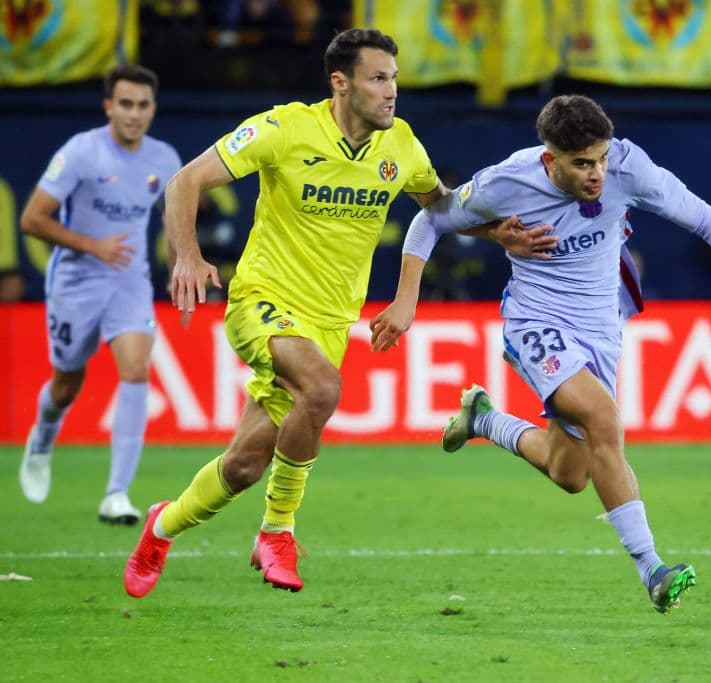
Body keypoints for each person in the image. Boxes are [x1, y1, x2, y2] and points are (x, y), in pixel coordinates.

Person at [123, 28, 554, 599]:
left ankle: (161, 526)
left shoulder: (400, 146)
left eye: (394, 79)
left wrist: (499, 234)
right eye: (378, 79)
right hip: (263, 301)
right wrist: (188, 256)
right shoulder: (284, 129)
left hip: (328, 323)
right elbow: (186, 181)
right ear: (341, 83)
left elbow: (441, 208)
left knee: (245, 467)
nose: (391, 91)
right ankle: (277, 532)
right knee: (324, 389)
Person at [369, 94, 711, 614]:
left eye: (601, 158)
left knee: (571, 473)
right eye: (582, 163)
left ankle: (484, 420)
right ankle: (652, 568)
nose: (598, 172)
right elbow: (432, 219)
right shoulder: (509, 179)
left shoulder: (629, 167)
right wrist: (408, 300)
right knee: (604, 417)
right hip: (536, 320)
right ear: (549, 159)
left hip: (602, 327)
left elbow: (704, 219)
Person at [18, 65, 181, 525]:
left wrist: (179, 269)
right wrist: (94, 246)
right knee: (67, 383)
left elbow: (173, 220)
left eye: (143, 105)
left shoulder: (164, 158)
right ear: (109, 106)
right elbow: (33, 219)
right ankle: (44, 436)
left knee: (135, 370)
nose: (134, 114)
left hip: (129, 281)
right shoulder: (82, 152)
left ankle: (117, 494)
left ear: (153, 108)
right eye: (125, 104)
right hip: (76, 281)